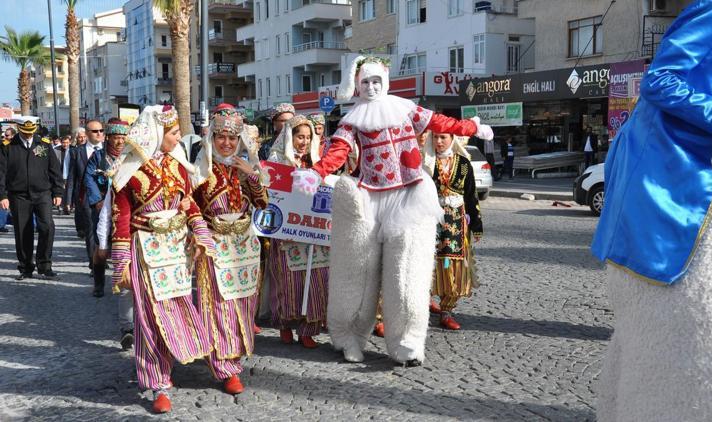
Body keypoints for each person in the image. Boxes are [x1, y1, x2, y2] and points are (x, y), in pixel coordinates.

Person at [591, 1, 712, 420]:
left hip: (699, 174)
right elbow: (659, 81)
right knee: (698, 325)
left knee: (650, 333)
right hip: (669, 181)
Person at [293, 56, 494, 365]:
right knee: (357, 272)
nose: (371, 88)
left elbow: (441, 122)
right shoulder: (352, 120)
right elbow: (338, 152)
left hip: (409, 195)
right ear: (357, 86)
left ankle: (408, 342)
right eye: (365, 82)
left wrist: (472, 127)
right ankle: (348, 336)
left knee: (407, 274)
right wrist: (317, 173)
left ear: (385, 82)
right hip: (370, 199)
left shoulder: (405, 109)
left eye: (376, 82)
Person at [110, 105, 215, 414]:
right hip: (145, 250)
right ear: (156, 133)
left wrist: (200, 236)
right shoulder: (128, 170)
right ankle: (158, 383)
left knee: (177, 309)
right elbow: (122, 219)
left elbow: (190, 204)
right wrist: (122, 263)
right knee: (148, 318)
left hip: (177, 251)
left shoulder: (179, 164)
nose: (177, 137)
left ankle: (175, 360)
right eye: (172, 133)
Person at [191, 103, 268, 394]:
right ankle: (226, 367)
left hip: (245, 245)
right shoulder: (200, 171)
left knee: (244, 304)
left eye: (232, 138)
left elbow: (263, 204)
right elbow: (191, 209)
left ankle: (235, 352)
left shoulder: (244, 169)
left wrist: (252, 175)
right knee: (220, 305)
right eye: (221, 137)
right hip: (215, 243)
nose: (227, 143)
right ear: (212, 138)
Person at [267, 115, 329, 348]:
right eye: (299, 136)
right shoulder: (278, 161)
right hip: (287, 231)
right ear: (289, 137)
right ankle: (284, 324)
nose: (303, 142)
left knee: (315, 278)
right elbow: (273, 197)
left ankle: (308, 329)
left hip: (312, 231)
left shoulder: (316, 162)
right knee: (287, 280)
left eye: (307, 137)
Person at [424, 133, 482, 330]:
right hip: (432, 221)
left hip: (457, 224)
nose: (439, 142)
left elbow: (471, 195)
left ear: (452, 139)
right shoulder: (427, 163)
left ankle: (447, 310)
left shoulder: (464, 164)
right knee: (428, 264)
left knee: (454, 267)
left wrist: (476, 224)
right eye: (435, 138)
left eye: (443, 137)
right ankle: (424, 302)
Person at [0, 119, 63, 280]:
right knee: (22, 231)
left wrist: (57, 192)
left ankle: (45, 264)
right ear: (19, 129)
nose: (28, 135)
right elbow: (1, 174)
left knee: (47, 226)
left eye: (31, 132)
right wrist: (3, 195)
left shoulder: (43, 144)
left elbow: (54, 169)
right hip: (18, 194)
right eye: (25, 132)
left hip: (42, 193)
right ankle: (26, 267)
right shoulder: (8, 146)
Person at [84, 119, 128, 298]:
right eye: (116, 137)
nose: (119, 142)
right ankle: (99, 284)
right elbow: (89, 179)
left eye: (123, 138)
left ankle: (126, 283)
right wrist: (97, 202)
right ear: (108, 138)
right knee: (101, 248)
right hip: (103, 207)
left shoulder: (131, 157)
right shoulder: (98, 157)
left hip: (125, 209)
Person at [67, 121, 104, 257]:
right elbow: (72, 176)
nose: (99, 133)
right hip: (86, 197)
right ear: (87, 134)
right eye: (95, 131)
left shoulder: (108, 150)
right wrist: (68, 199)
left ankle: (105, 256)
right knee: (91, 229)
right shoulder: (77, 152)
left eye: (101, 130)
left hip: (107, 196)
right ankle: (94, 263)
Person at [54, 135, 72, 214]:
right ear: (61, 143)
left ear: (70, 142)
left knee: (68, 190)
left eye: (67, 143)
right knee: (60, 190)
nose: (65, 144)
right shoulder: (56, 150)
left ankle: (67, 206)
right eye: (64, 143)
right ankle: (60, 207)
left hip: (69, 173)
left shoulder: (72, 150)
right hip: (59, 173)